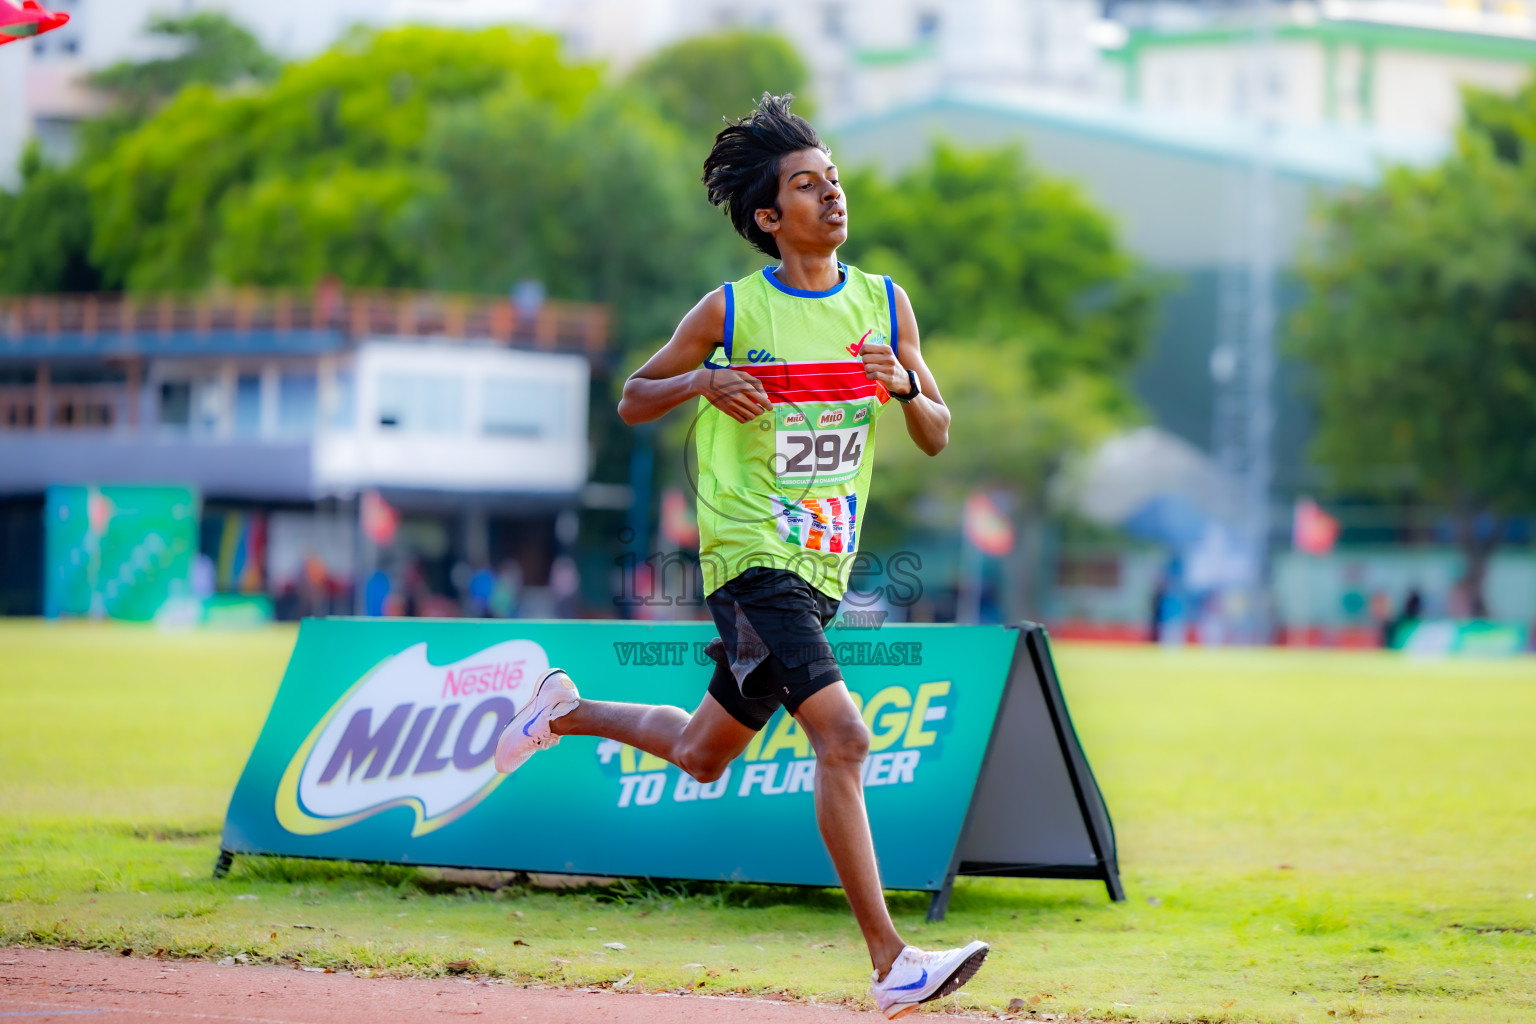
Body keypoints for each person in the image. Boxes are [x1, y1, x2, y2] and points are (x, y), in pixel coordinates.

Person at [493, 94, 986, 1018]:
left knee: (701, 752)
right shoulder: (732, 307)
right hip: (751, 551)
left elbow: (936, 434)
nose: (833, 196)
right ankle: (891, 963)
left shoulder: (885, 302)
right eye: (809, 185)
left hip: (824, 563)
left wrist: (908, 384)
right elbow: (635, 397)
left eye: (834, 180)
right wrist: (702, 379)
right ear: (770, 216)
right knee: (844, 737)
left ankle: (561, 710)